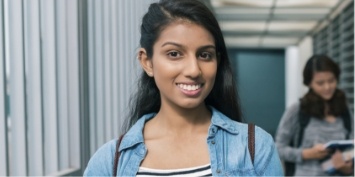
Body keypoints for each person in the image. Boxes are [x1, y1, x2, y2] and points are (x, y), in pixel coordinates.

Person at [84, 0, 283, 176]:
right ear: (147, 62)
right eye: (174, 53)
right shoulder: (109, 162)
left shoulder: (255, 147)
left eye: (205, 55)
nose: (194, 70)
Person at [275, 54, 354, 176]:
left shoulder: (345, 111)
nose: (327, 87)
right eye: (320, 83)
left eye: (331, 81)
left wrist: (347, 168)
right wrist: (306, 154)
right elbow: (278, 148)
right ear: (309, 83)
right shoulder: (297, 110)